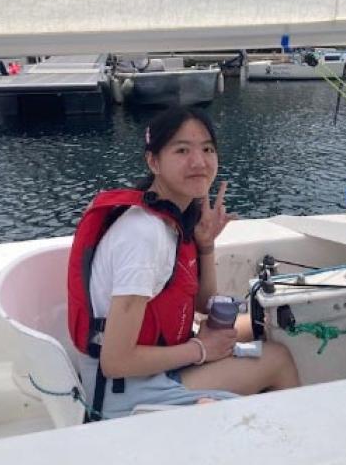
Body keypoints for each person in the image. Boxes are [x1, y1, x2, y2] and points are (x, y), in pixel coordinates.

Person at [75, 106, 300, 419]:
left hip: (143, 367)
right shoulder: (144, 236)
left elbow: (204, 304)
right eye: (182, 150)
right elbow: (116, 361)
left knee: (264, 326)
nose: (199, 162)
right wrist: (202, 349)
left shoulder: (171, 219)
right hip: (123, 391)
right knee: (278, 359)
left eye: (207, 149)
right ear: (153, 161)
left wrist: (205, 246)